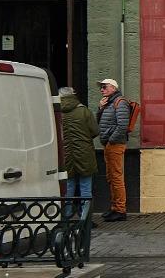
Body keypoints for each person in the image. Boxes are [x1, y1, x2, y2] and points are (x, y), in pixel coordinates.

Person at [96, 78, 135, 222]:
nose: (102, 90)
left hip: (115, 144)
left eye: (104, 87)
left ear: (113, 88)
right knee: (111, 177)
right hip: (109, 143)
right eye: (101, 87)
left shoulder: (120, 102)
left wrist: (111, 140)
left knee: (116, 177)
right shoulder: (109, 103)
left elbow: (122, 125)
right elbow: (99, 122)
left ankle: (120, 210)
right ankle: (114, 207)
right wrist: (100, 108)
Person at [57, 86, 96, 221]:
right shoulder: (83, 111)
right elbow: (95, 131)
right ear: (73, 94)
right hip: (84, 153)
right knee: (85, 187)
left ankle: (66, 217)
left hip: (65, 154)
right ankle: (85, 219)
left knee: (68, 187)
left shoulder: (57, 112)